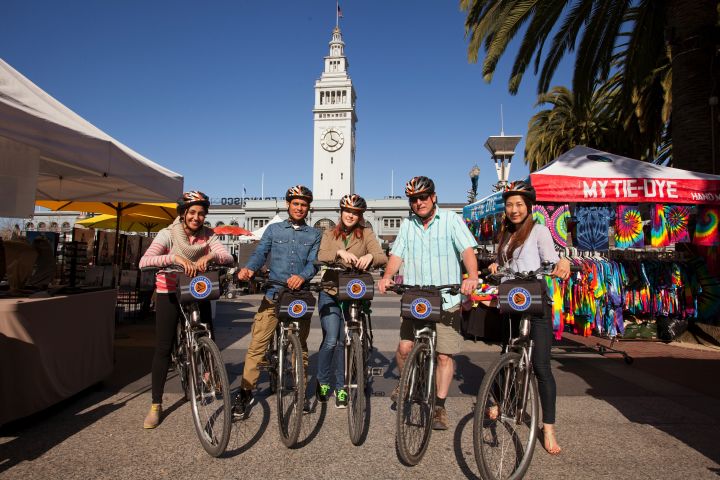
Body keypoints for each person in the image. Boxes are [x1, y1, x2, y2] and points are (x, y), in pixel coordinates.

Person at [378, 176, 479, 431]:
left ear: (434, 197)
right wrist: (388, 276)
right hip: (416, 298)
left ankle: (439, 407)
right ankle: (407, 380)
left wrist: (472, 277)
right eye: (414, 199)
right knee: (403, 348)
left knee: (444, 356)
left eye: (423, 197)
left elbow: (467, 250)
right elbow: (397, 254)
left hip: (447, 298)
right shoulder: (407, 225)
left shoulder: (451, 220)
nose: (419, 203)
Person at [487, 180, 570, 455]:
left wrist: (563, 263)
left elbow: (553, 258)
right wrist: (496, 266)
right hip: (512, 300)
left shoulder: (539, 231)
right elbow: (505, 265)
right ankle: (499, 399)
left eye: (519, 204)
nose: (514, 209)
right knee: (506, 353)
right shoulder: (505, 235)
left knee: (542, 367)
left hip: (536, 302)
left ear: (529, 206)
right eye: (510, 204)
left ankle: (548, 428)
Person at [139, 190, 233, 429]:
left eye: (201, 213)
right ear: (183, 214)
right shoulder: (167, 234)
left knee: (207, 331)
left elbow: (228, 257)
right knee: (163, 346)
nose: (197, 217)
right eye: (192, 212)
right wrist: (175, 259)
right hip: (169, 291)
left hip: (197, 289)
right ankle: (156, 405)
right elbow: (144, 261)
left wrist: (210, 255)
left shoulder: (208, 235)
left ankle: (209, 373)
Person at [233, 185, 322, 418]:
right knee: (257, 346)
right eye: (295, 204)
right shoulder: (273, 230)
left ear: (308, 208)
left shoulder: (314, 234)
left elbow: (314, 262)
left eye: (304, 205)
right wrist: (249, 270)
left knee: (300, 347)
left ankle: (300, 391)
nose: (299, 208)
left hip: (297, 297)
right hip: (273, 293)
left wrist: (302, 276)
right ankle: (245, 392)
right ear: (288, 205)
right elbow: (260, 253)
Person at [316, 194, 388, 408]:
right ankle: (323, 381)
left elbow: (381, 255)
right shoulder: (329, 232)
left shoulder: (366, 233)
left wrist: (371, 257)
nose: (350, 215)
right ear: (341, 212)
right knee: (330, 340)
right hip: (329, 290)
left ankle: (340, 389)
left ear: (360, 215)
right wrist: (339, 252)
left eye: (355, 213)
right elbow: (322, 254)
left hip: (352, 292)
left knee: (342, 342)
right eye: (347, 211)